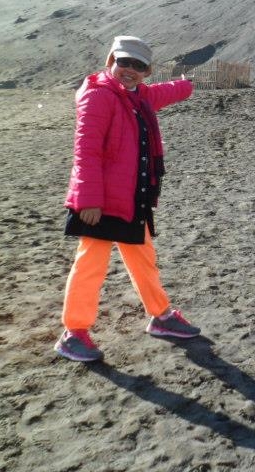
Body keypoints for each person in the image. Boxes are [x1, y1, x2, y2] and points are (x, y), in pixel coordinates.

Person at [55, 36, 200, 363]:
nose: (130, 70)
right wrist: (88, 200)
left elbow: (165, 92)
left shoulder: (138, 97)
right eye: (124, 62)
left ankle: (161, 316)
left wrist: (188, 85)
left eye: (138, 65)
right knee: (91, 264)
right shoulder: (98, 96)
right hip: (102, 202)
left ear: (146, 71)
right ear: (111, 62)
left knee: (143, 257)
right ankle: (73, 333)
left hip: (133, 197)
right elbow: (86, 151)